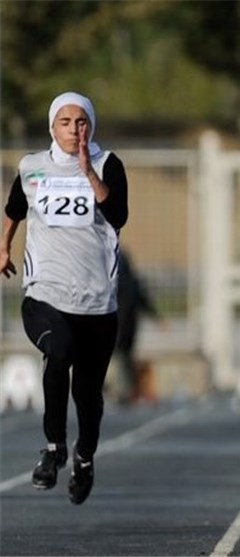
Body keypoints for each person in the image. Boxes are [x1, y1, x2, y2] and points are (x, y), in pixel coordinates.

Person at [0, 91, 128, 504]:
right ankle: (53, 447)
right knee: (58, 352)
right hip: (45, 293)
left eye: (82, 122)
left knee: (88, 396)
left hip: (97, 302)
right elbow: (14, 208)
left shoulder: (108, 165)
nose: (75, 130)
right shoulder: (32, 167)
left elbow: (119, 215)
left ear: (91, 125)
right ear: (52, 127)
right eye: (66, 123)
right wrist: (3, 246)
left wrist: (88, 172)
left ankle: (84, 457)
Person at [115, 249, 158, 405]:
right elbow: (143, 301)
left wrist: (157, 318)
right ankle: (123, 391)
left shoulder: (119, 283)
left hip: (122, 329)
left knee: (123, 361)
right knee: (122, 361)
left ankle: (125, 392)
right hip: (124, 329)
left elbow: (142, 301)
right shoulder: (130, 283)